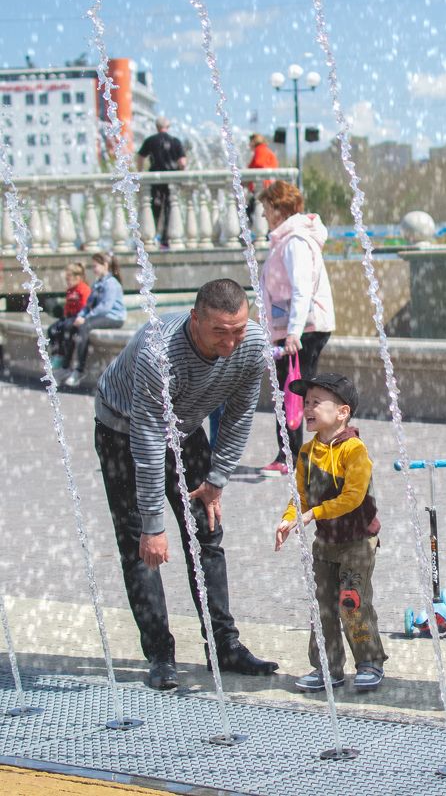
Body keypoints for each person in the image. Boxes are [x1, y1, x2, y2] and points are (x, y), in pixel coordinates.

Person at [93, 278, 278, 690]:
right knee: (140, 546)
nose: (231, 344)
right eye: (220, 333)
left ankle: (224, 646)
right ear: (195, 319)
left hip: (185, 428)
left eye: (238, 331)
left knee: (207, 532)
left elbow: (239, 413)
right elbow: (146, 440)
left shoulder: (251, 344)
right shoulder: (159, 353)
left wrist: (217, 479)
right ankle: (160, 654)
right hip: (123, 431)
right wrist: (153, 524)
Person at [274, 373, 387, 692]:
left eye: (316, 402)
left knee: (351, 601)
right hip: (326, 542)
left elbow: (352, 498)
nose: (307, 408)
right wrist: (289, 518)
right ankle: (327, 665)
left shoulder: (355, 450)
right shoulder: (307, 453)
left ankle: (369, 662)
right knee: (322, 604)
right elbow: (301, 496)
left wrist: (312, 514)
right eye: (305, 402)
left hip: (357, 541)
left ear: (342, 411)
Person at [258, 180, 335, 476]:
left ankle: (295, 457)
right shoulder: (288, 239)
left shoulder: (294, 242)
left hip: (303, 329)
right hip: (298, 327)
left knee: (295, 390)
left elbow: (301, 289)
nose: (264, 215)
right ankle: (295, 455)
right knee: (294, 390)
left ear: (278, 209)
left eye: (266, 208)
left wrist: (293, 333)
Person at [63, 253, 126, 388]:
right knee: (70, 325)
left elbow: (105, 307)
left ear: (105, 266)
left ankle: (79, 370)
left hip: (114, 317)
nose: (93, 269)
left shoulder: (111, 283)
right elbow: (89, 305)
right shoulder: (98, 283)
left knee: (84, 327)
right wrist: (80, 316)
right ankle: (65, 366)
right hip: (102, 316)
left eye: (95, 266)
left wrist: (85, 318)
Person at [137, 116, 187, 249]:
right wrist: (182, 173)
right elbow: (182, 162)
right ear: (168, 126)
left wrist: (140, 171)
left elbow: (140, 157)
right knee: (170, 209)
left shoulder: (150, 141)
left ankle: (150, 238)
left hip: (155, 179)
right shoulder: (175, 141)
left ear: (156, 127)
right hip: (171, 180)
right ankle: (165, 239)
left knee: (155, 209)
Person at [48, 262, 91, 370]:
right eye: (66, 279)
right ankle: (56, 353)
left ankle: (64, 357)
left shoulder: (84, 289)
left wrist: (80, 317)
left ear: (78, 277)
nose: (67, 281)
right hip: (69, 317)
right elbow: (67, 306)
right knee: (52, 330)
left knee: (66, 328)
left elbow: (85, 306)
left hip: (77, 317)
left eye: (69, 278)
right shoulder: (70, 290)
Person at [246, 133, 279, 224]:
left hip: (262, 186)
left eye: (250, 142)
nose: (249, 145)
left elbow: (258, 164)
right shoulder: (265, 150)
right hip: (267, 185)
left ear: (254, 142)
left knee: (251, 211)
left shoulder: (260, 150)